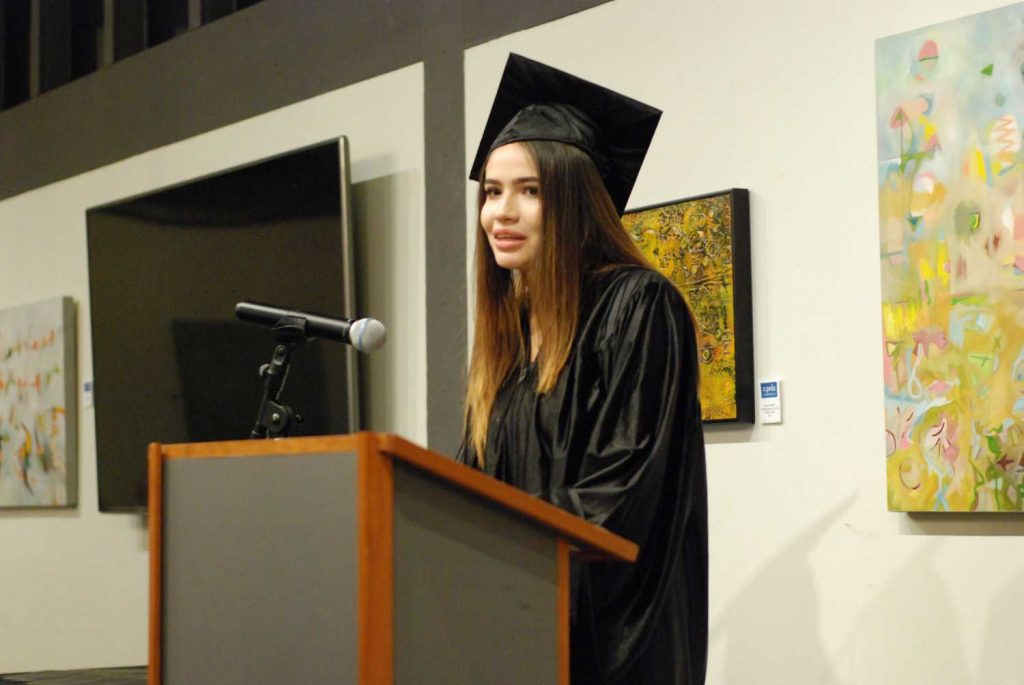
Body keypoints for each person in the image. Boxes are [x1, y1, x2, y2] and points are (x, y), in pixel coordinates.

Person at [457, 54, 709, 684]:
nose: (501, 213)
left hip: (610, 645)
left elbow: (620, 491)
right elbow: (467, 488)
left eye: (529, 191)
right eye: (492, 192)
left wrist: (491, 543)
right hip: (519, 637)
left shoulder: (640, 305)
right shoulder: (507, 340)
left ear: (574, 200)